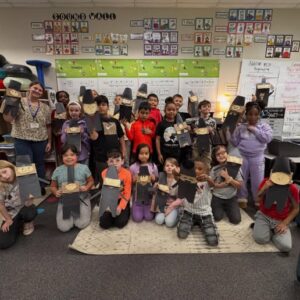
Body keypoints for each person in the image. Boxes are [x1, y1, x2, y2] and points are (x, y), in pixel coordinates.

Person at [3, 81, 51, 195]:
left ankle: (40, 186)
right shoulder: (18, 101)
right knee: (25, 164)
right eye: (35, 88)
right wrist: (11, 103)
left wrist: (49, 141)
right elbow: (7, 119)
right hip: (22, 139)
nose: (37, 91)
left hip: (40, 139)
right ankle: (28, 189)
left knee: (39, 163)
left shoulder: (45, 107)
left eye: (40, 90)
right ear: (29, 88)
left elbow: (48, 125)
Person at [253, 157, 299, 253]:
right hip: (264, 215)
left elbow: (296, 208)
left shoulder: (292, 188)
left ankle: (271, 231)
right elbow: (257, 200)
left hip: (280, 219)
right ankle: (263, 227)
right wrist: (264, 188)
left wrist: (285, 223)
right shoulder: (266, 182)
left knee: (286, 247)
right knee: (261, 239)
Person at [231, 101, 272, 208]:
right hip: (243, 156)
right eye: (250, 114)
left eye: (255, 114)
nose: (253, 117)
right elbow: (234, 142)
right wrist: (233, 130)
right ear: (246, 114)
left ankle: (258, 199)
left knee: (257, 180)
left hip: (257, 157)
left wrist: (255, 130)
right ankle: (242, 198)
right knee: (241, 178)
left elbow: (267, 139)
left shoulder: (264, 126)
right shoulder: (241, 127)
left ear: (259, 114)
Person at [50, 144, 94, 232]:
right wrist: (56, 192)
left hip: (81, 198)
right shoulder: (58, 170)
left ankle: (84, 210)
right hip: (65, 201)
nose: (69, 157)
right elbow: (53, 186)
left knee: (82, 224)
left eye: (72, 154)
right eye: (65, 155)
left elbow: (91, 181)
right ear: (61, 157)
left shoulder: (84, 168)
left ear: (77, 156)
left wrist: (86, 187)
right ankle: (69, 215)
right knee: (64, 227)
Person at [176, 159, 218, 246]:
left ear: (206, 171)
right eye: (194, 168)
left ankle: (203, 224)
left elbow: (213, 185)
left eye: (200, 169)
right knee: (181, 235)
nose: (196, 171)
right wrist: (175, 171)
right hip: (189, 211)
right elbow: (177, 177)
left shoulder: (207, 182)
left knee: (212, 240)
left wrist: (208, 178)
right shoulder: (186, 179)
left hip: (205, 213)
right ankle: (187, 218)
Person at [0, 160, 37, 249]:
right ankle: (17, 224)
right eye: (0, 176)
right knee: (3, 243)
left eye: (4, 171)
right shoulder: (1, 187)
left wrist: (30, 196)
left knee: (29, 212)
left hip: (24, 207)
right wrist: (8, 220)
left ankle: (27, 223)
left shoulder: (23, 178)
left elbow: (29, 202)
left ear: (11, 167)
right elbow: (1, 205)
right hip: (11, 214)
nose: (4, 176)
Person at [89, 95, 125, 186]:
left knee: (116, 179)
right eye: (98, 105)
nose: (101, 107)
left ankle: (116, 197)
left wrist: (123, 150)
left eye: (103, 104)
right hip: (101, 157)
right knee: (104, 181)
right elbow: (93, 137)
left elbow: (121, 136)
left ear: (108, 106)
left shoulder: (114, 121)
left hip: (115, 156)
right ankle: (104, 197)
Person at [210, 145, 242, 224]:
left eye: (223, 153)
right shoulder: (214, 169)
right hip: (217, 197)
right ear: (215, 157)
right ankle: (221, 207)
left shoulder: (235, 167)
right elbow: (211, 184)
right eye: (218, 154)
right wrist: (221, 184)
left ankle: (228, 207)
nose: (221, 155)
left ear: (227, 154)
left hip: (231, 197)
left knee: (236, 220)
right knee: (217, 217)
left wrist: (228, 178)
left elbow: (239, 185)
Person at [99, 150, 131, 229]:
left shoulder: (127, 174)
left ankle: (127, 210)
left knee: (120, 223)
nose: (114, 163)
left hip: (122, 199)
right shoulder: (104, 173)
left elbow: (127, 193)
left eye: (117, 160)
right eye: (111, 161)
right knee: (104, 223)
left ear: (122, 161)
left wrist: (120, 207)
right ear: (107, 162)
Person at [130, 144, 158, 222]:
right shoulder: (133, 167)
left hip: (149, 196)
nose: (144, 156)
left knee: (149, 217)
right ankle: (136, 206)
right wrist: (134, 180)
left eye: (146, 153)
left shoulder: (153, 166)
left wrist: (153, 179)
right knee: (137, 218)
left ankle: (147, 206)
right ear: (137, 154)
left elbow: (156, 181)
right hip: (137, 197)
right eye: (141, 153)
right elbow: (129, 183)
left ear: (149, 154)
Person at [154, 158, 180, 228]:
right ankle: (165, 214)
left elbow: (181, 198)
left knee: (169, 223)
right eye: (167, 165)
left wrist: (173, 204)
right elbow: (156, 193)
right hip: (163, 204)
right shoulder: (161, 176)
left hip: (174, 205)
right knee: (159, 220)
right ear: (164, 168)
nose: (169, 167)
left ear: (177, 168)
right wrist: (155, 187)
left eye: (172, 166)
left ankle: (178, 216)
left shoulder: (179, 179)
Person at [156, 101, 181, 165]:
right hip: (164, 153)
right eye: (169, 110)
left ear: (176, 111)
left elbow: (184, 138)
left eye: (173, 110)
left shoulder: (179, 124)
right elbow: (157, 139)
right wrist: (159, 154)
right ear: (164, 110)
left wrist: (188, 129)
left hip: (176, 153)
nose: (171, 111)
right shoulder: (161, 124)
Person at [192, 99, 216, 166]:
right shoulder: (195, 120)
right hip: (196, 144)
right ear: (200, 109)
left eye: (208, 106)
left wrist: (211, 131)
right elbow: (193, 132)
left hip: (207, 145)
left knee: (207, 162)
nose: (207, 108)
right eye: (204, 106)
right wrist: (194, 130)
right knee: (196, 161)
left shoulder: (213, 121)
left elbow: (213, 135)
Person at [52, 90, 70, 164]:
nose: (63, 98)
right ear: (57, 99)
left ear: (68, 99)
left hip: (72, 139)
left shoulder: (72, 110)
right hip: (60, 140)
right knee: (63, 159)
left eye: (65, 97)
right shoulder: (54, 112)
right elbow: (53, 128)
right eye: (60, 97)